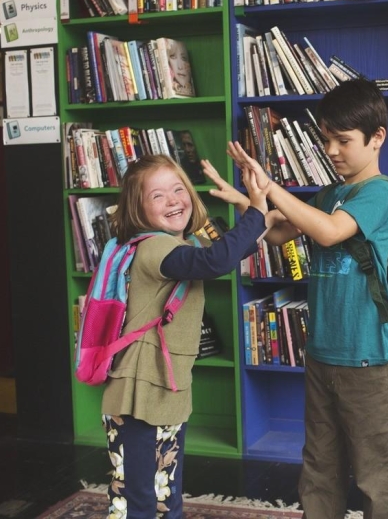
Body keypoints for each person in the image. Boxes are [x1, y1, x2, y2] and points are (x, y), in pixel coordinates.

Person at [206, 78, 388, 519]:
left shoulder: (380, 193)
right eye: (326, 140)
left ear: (377, 138)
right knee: (319, 467)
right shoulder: (330, 194)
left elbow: (330, 231)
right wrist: (245, 197)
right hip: (321, 354)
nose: (331, 151)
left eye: (343, 141)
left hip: (368, 359)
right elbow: (279, 232)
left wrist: (271, 186)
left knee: (375, 474)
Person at [101, 154, 271, 519]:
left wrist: (259, 209)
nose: (173, 200)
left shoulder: (185, 242)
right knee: (139, 499)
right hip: (139, 390)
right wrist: (256, 210)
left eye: (178, 189)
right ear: (137, 209)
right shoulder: (154, 248)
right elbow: (215, 262)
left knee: (163, 492)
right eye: (158, 195)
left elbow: (231, 249)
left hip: (164, 383)